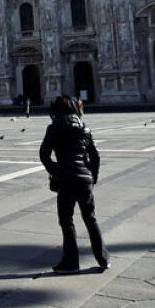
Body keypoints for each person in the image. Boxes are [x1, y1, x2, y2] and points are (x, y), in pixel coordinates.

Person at [40, 96, 108, 274]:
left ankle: (71, 261)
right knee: (90, 218)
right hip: (84, 179)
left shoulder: (54, 127)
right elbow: (95, 156)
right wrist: (93, 176)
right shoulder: (85, 127)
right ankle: (103, 259)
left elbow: (44, 154)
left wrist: (55, 171)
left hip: (65, 179)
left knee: (66, 220)